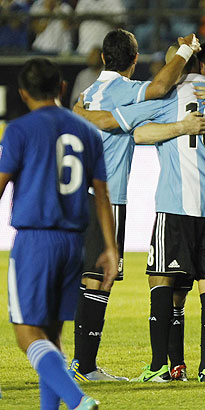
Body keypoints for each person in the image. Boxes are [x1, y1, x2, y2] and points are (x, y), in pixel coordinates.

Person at [108, 39, 205, 382]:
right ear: (202, 64)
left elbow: (133, 130)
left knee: (165, 281)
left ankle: (163, 366)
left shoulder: (170, 96)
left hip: (176, 205)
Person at [68, 28, 205, 382]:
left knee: (90, 278)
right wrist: (187, 51)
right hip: (106, 196)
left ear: (101, 58)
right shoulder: (126, 91)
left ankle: (83, 363)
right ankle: (85, 366)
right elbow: (159, 89)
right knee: (101, 280)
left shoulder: (88, 91)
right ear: (134, 59)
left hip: (75, 195)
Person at [0, 57, 119, 410]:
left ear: (22, 94)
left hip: (36, 240)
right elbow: (102, 194)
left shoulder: (19, 130)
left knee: (27, 335)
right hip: (74, 244)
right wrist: (110, 248)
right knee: (52, 337)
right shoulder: (85, 130)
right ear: (63, 88)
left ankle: (78, 400)